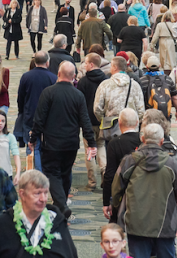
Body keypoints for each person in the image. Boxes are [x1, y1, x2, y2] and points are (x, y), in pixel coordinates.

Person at [110, 123, 177, 258]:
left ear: (142, 139)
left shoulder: (129, 162)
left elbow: (116, 191)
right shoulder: (172, 164)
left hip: (136, 224)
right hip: (165, 225)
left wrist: (115, 215)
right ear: (162, 141)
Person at [29, 61, 97, 217]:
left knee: (52, 173)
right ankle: (62, 204)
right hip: (71, 143)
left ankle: (61, 205)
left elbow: (39, 119)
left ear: (58, 74)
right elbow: (85, 121)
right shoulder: (78, 95)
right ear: (74, 77)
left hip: (51, 143)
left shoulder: (48, 93)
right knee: (65, 173)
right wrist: (91, 143)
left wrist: (33, 139)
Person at [0, 169, 77, 258]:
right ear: (22, 194)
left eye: (45, 193)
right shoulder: (1, 225)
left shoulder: (57, 223)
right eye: (37, 193)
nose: (43, 199)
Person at [14, 51, 57, 172]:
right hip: (48, 118)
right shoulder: (53, 78)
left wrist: (22, 112)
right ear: (47, 62)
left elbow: (20, 98)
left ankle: (34, 173)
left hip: (30, 115)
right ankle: (43, 172)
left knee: (32, 146)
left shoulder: (26, 76)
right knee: (46, 146)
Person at [76, 53, 109, 190]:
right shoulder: (106, 80)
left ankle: (92, 182)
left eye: (85, 62)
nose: (83, 65)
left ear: (91, 64)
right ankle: (105, 174)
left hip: (87, 121)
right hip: (102, 120)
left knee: (89, 149)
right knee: (101, 147)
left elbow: (79, 102)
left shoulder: (83, 82)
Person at [101, 108, 141, 216]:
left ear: (119, 123)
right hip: (142, 189)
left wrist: (106, 202)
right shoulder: (144, 140)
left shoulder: (114, 144)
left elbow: (109, 174)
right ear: (137, 122)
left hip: (122, 192)